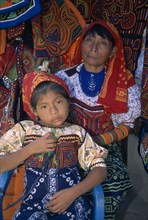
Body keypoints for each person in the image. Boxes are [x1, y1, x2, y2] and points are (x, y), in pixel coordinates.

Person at [55, 19, 141, 219]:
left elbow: (127, 125)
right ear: (81, 43)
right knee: (56, 181)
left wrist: (101, 141)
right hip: (67, 144)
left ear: (112, 52)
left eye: (102, 43)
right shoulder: (64, 78)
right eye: (89, 40)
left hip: (104, 147)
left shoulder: (123, 84)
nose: (93, 48)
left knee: (113, 185)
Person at [0, 71, 108, 220]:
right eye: (44, 106)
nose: (54, 111)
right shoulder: (25, 130)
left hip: (72, 204)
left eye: (58, 102)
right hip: (32, 208)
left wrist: (74, 192)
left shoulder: (77, 133)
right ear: (34, 110)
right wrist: (31, 149)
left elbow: (100, 170)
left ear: (67, 102)